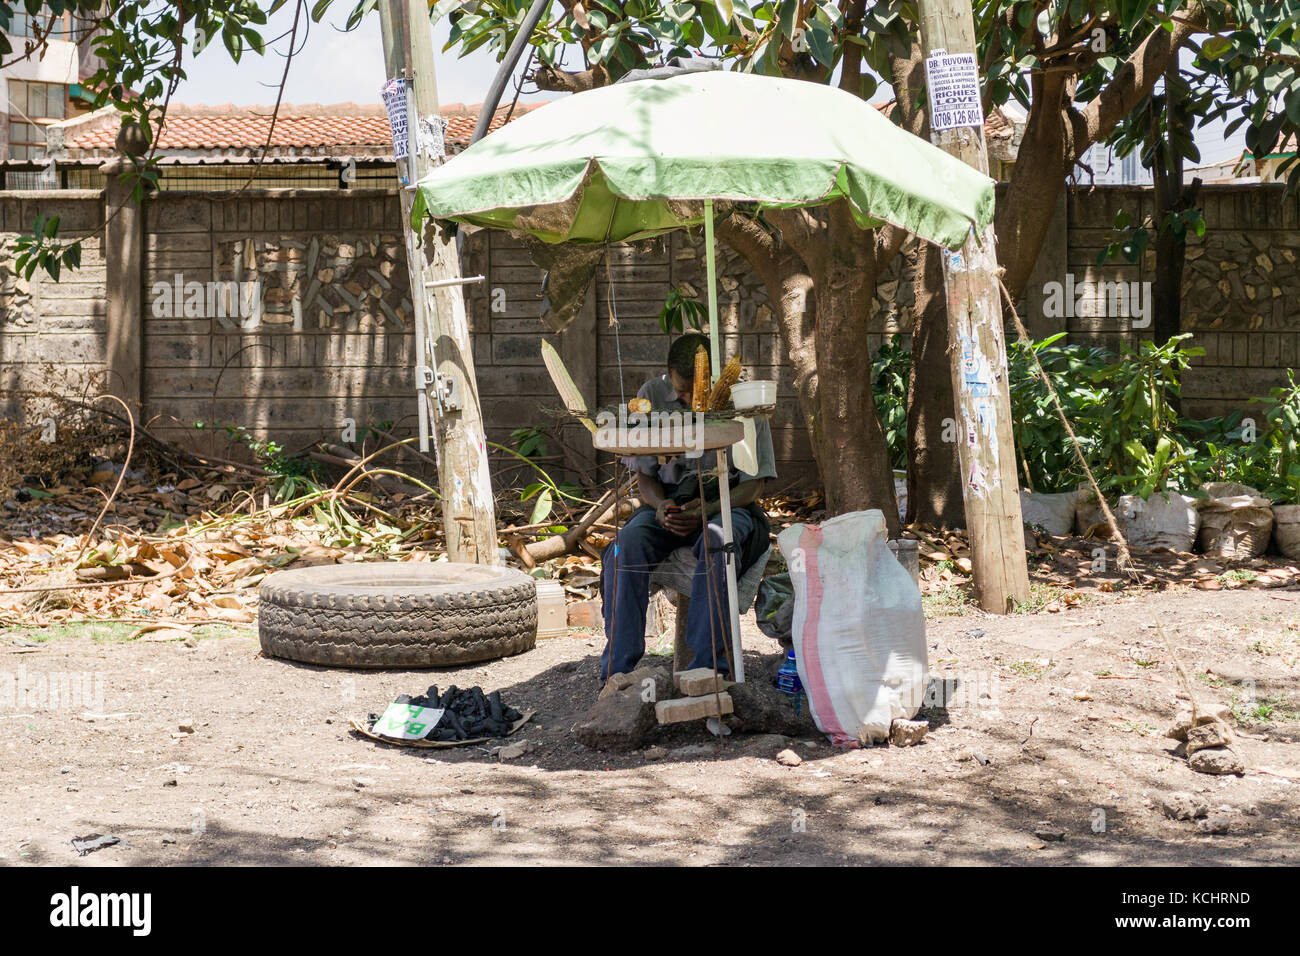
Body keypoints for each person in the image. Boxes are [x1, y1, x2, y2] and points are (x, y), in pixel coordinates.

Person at [599, 332, 776, 681]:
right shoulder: (650, 396)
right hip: (672, 503)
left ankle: (707, 670)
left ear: (710, 379)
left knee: (716, 540)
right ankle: (618, 674)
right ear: (668, 374)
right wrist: (660, 504)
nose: (687, 399)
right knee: (623, 547)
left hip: (730, 503)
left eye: (695, 391)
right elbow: (646, 479)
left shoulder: (743, 401)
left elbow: (755, 485)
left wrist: (708, 509)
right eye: (680, 392)